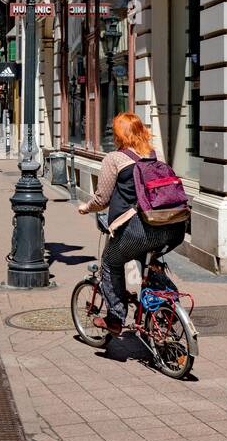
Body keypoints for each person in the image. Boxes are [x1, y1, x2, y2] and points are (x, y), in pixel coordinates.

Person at [79, 112, 187, 336]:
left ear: (119, 135)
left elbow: (102, 199)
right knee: (150, 262)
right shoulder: (153, 156)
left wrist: (85, 207)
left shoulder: (114, 159)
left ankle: (115, 318)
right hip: (173, 229)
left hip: (139, 230)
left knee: (110, 262)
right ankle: (164, 308)